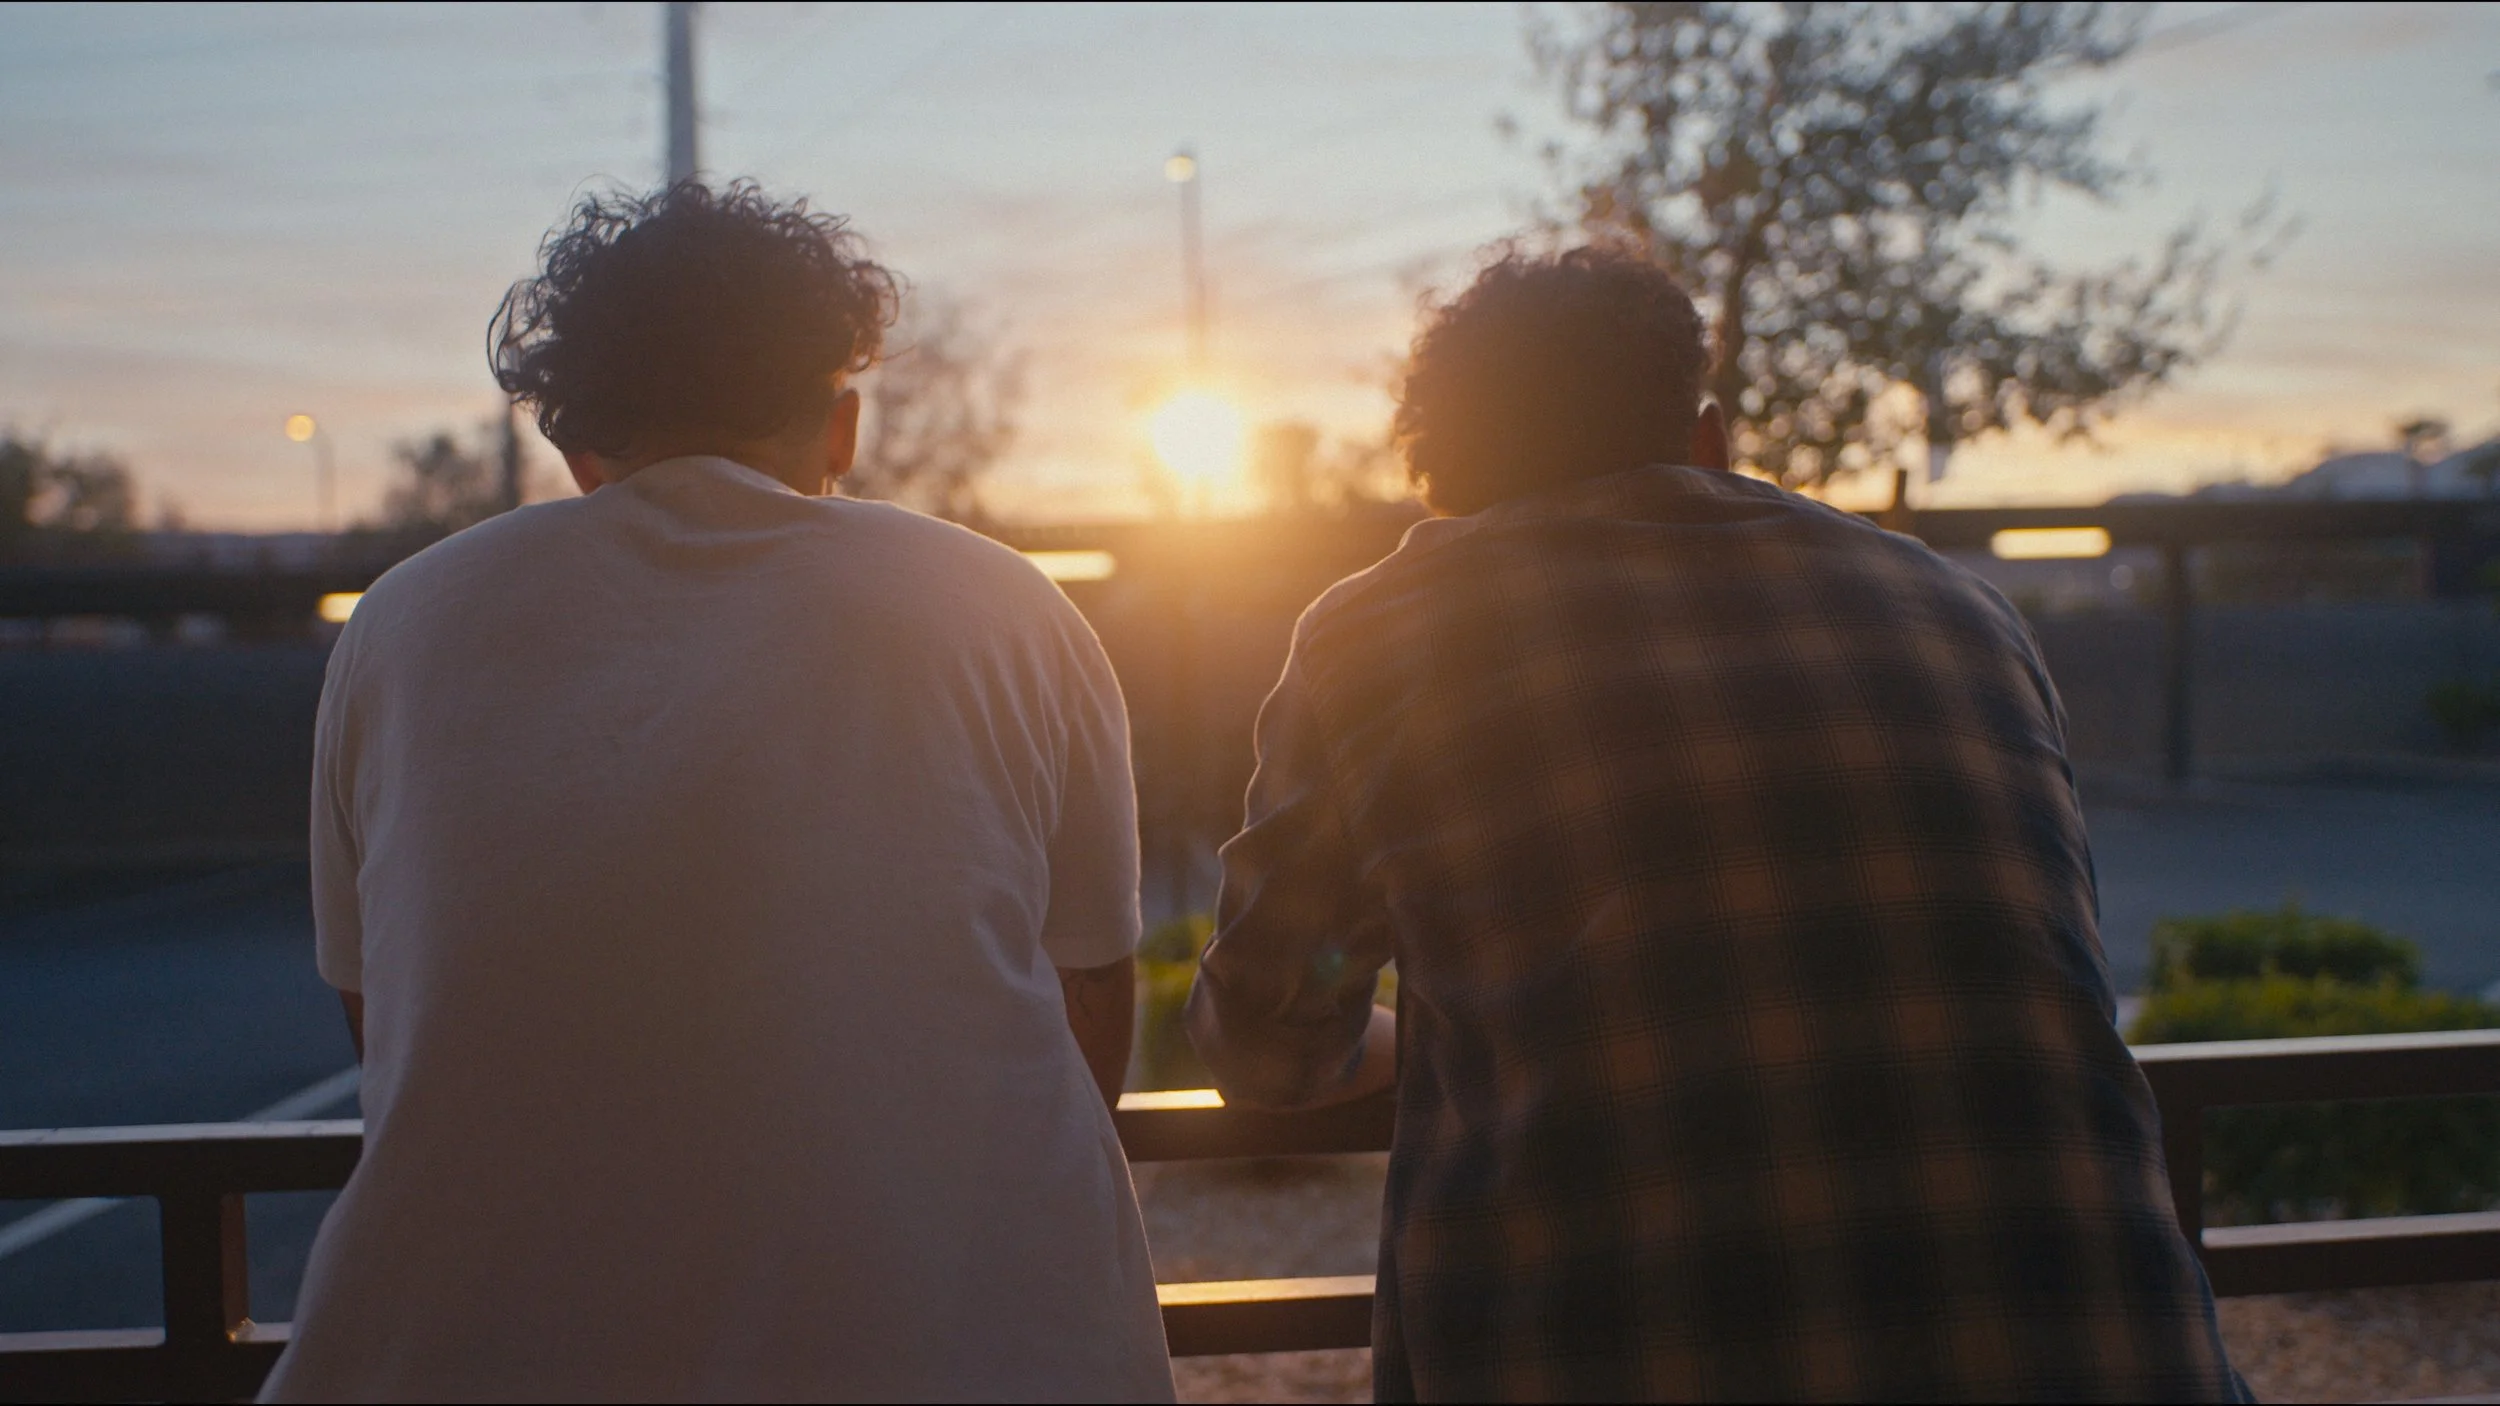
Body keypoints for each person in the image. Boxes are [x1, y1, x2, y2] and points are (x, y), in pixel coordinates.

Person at [1185, 248, 2246, 1402]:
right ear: (1710, 436)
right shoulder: (1957, 608)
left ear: (1447, 487)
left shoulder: (1377, 636)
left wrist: (1442, 1029)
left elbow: (1265, 1045)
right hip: (2096, 1348)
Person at [264, 182, 1173, 1403]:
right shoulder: (1008, 607)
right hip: (971, 1349)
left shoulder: (402, 623)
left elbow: (383, 1015)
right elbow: (1089, 999)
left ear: (578, 449)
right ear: (841, 426)